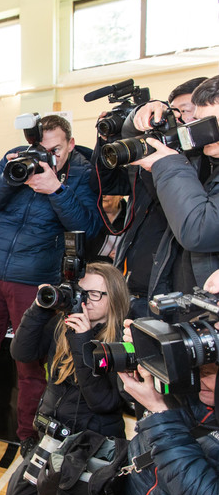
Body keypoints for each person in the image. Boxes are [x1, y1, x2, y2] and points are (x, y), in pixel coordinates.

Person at [0, 115, 101, 460]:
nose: (44, 157)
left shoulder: (83, 174)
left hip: (35, 279)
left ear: (70, 145)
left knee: (30, 363)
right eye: (38, 149)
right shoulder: (16, 156)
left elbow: (89, 229)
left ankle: (29, 434)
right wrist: (13, 177)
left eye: (54, 150)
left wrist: (56, 189)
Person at [4, 262, 130, 495]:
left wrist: (82, 342)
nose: (84, 301)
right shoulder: (63, 326)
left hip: (89, 447)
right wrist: (39, 309)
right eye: (80, 292)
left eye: (94, 295)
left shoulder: (121, 344)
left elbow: (103, 401)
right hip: (54, 438)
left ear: (114, 298)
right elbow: (21, 352)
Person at [93, 76, 208, 318]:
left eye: (186, 112)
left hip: (166, 295)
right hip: (129, 286)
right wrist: (112, 138)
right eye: (172, 113)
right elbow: (108, 182)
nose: (177, 121)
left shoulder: (202, 168)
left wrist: (166, 162)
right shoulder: (159, 163)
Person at [124, 75, 219, 299]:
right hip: (187, 295)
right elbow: (138, 143)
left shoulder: (187, 164)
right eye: (197, 121)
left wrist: (169, 164)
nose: (200, 131)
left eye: (211, 123)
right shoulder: (205, 159)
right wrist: (139, 116)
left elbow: (200, 230)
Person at [117, 321, 219, 495]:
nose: (201, 379)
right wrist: (147, 354)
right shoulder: (193, 391)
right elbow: (123, 392)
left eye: (209, 372)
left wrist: (159, 411)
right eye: (198, 368)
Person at [85, 195, 126, 264]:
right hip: (89, 270)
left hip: (118, 271)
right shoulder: (87, 214)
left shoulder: (131, 217)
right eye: (100, 191)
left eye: (109, 192)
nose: (103, 195)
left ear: (121, 195)